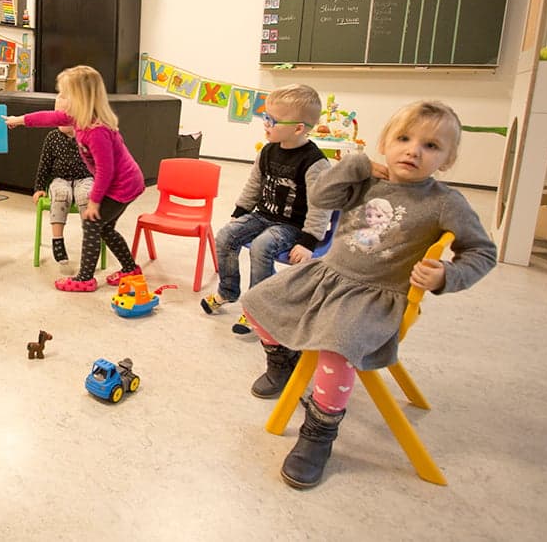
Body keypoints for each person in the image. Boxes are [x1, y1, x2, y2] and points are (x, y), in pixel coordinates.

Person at [240, 100, 496, 489]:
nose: (413, 150)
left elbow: (482, 252)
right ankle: (282, 361)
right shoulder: (367, 180)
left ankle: (319, 432)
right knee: (256, 302)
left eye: (431, 146)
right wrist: (353, 165)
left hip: (376, 296)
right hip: (327, 275)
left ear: (447, 159)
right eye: (404, 138)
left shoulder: (445, 202)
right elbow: (322, 198)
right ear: (385, 142)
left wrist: (448, 273)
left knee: (338, 344)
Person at [200, 85, 332, 336]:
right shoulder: (267, 150)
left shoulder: (315, 163)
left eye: (272, 120)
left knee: (261, 247)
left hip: (292, 225)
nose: (265, 123)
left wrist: (308, 241)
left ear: (298, 128)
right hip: (262, 215)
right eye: (265, 116)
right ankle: (227, 291)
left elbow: (320, 205)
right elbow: (253, 185)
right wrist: (239, 213)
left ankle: (258, 308)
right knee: (226, 235)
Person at [5, 65, 144, 292]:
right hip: (119, 182)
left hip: (122, 185)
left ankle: (85, 278)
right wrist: (19, 120)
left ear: (81, 98)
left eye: (65, 94)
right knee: (105, 228)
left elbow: (106, 171)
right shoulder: (79, 118)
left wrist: (95, 201)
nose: (60, 99)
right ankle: (130, 269)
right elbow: (48, 117)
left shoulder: (96, 130)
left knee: (92, 223)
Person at [33, 125, 94, 264]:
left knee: (86, 196)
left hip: (85, 178)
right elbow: (44, 165)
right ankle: (57, 240)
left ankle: (90, 240)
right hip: (59, 179)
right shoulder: (53, 137)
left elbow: (99, 163)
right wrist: (39, 188)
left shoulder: (87, 135)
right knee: (61, 195)